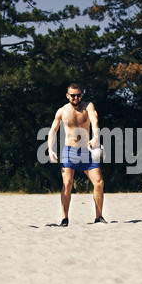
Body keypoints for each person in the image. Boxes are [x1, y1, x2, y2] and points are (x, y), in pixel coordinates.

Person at [48, 83, 106, 227]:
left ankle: (99, 216)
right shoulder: (62, 111)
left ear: (81, 94)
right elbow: (53, 130)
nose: (76, 97)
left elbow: (95, 121)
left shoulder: (88, 106)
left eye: (78, 94)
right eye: (73, 95)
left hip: (86, 150)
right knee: (67, 184)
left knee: (99, 183)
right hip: (69, 151)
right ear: (67, 95)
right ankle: (64, 218)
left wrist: (96, 138)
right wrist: (50, 149)